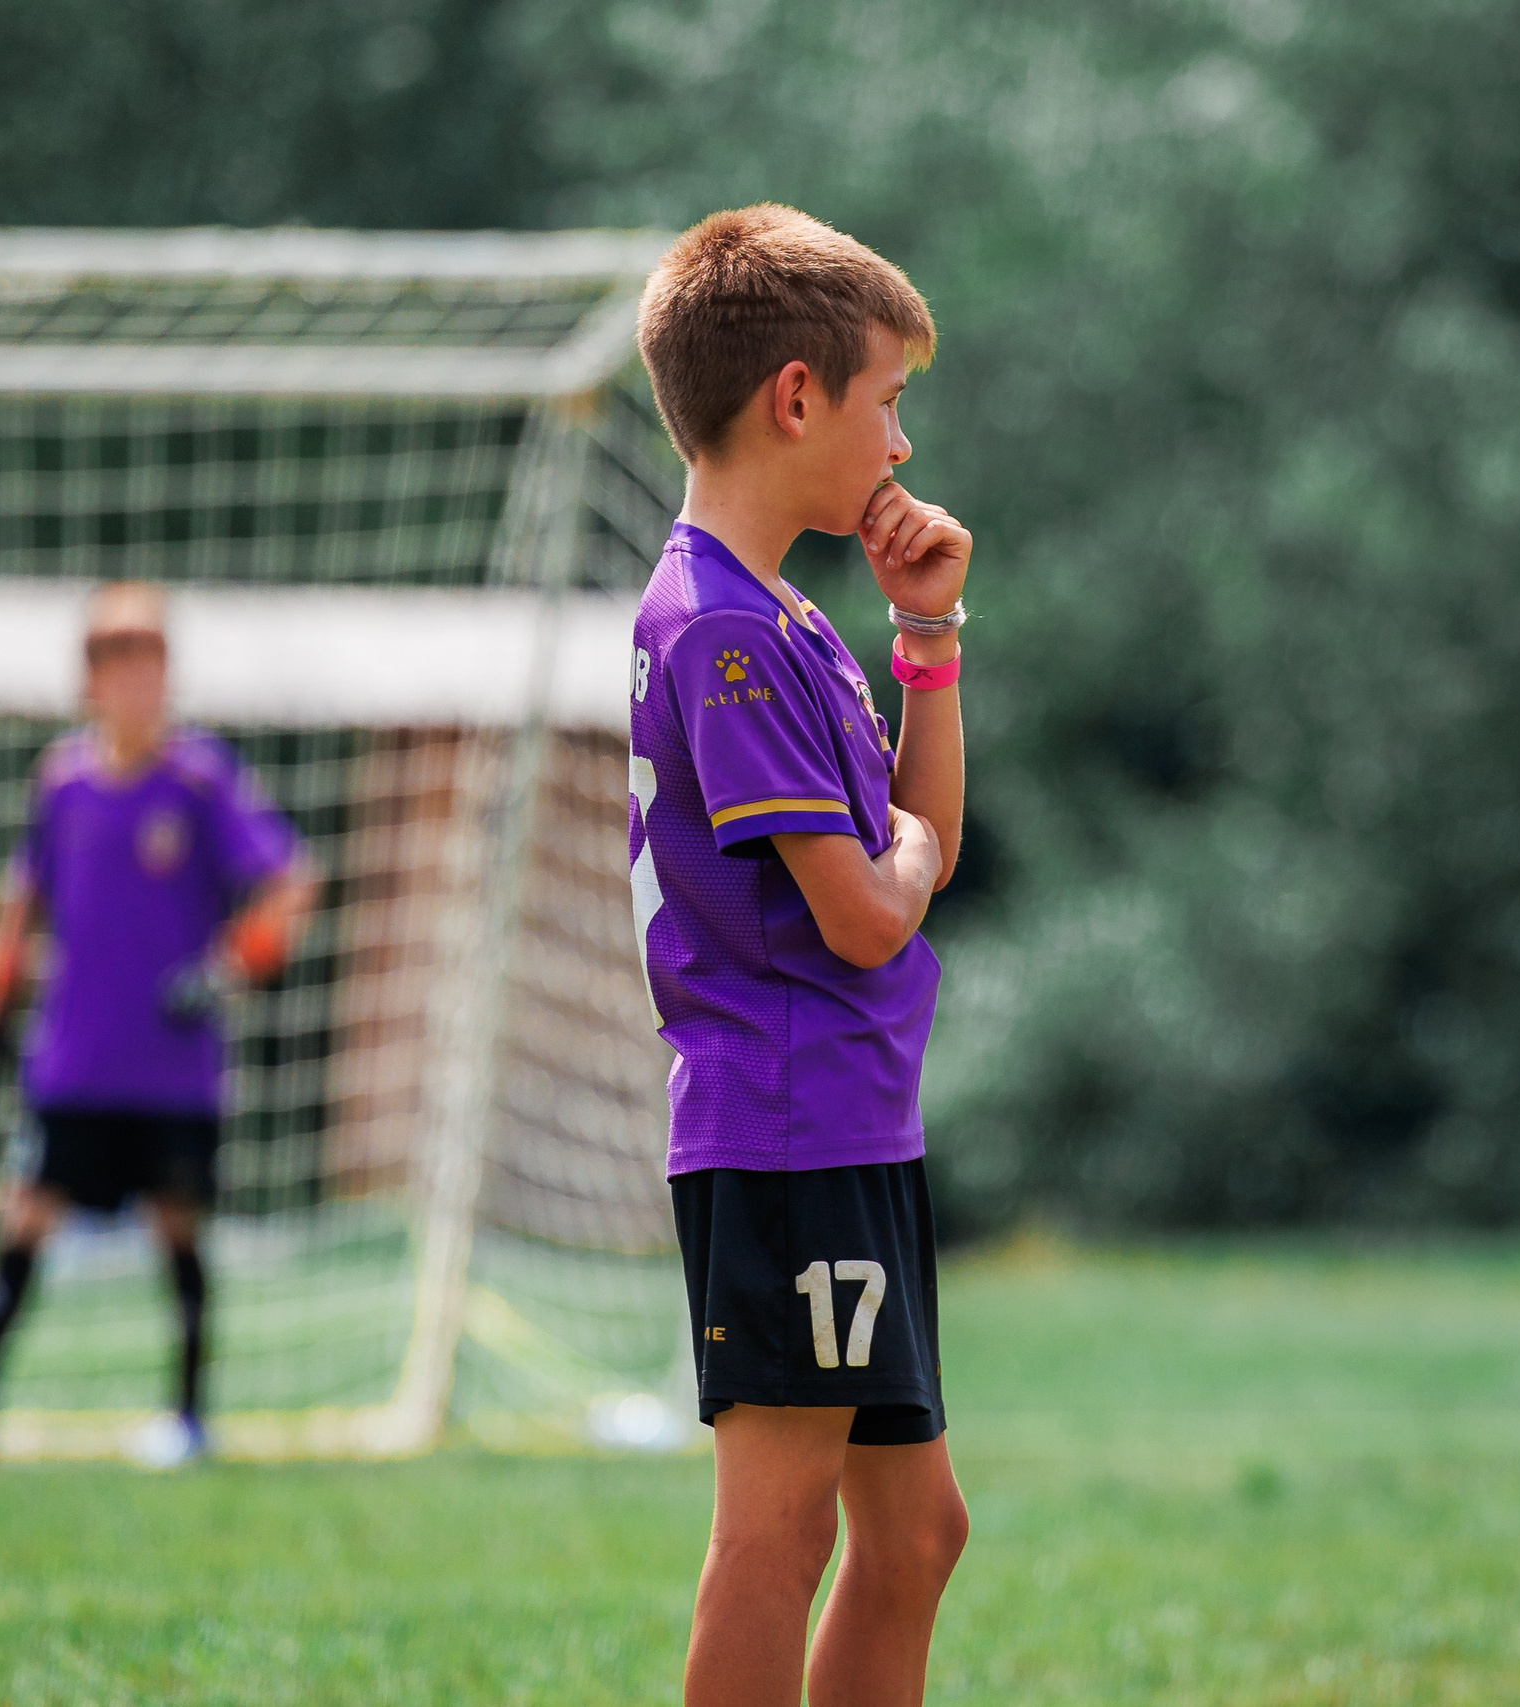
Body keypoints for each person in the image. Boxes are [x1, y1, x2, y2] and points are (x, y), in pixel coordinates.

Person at [627, 205, 972, 1707]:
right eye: (888, 401)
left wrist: (929, 639)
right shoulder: (723, 630)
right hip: (782, 1133)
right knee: (777, 1541)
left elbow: (916, 841)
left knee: (916, 1535)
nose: (899, 448)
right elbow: (875, 903)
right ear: (794, 396)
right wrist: (909, 857)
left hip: (846, 1120)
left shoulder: (788, 616)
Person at [0, 581, 316, 1468]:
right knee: (21, 1219)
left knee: (179, 1229)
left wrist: (226, 968)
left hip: (172, 1067)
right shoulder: (60, 785)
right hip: (73, 1062)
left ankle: (186, 1418)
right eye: (121, 669)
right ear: (91, 683)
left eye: (153, 667)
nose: (140, 686)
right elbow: (20, 903)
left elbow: (292, 885)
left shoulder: (202, 781)